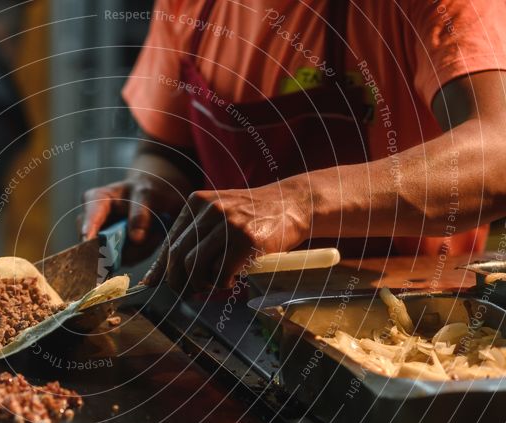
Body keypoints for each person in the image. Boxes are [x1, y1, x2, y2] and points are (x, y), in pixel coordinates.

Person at [80, 0, 506, 292]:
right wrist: (151, 187)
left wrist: (297, 203)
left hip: (396, 325)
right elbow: (169, 148)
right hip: (230, 322)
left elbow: (498, 155)